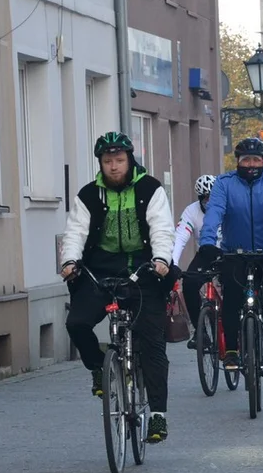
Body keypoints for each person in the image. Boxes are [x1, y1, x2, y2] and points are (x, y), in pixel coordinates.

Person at [59, 131, 177, 443]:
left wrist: (162, 258)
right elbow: (75, 232)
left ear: (130, 160)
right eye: (108, 161)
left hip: (143, 270)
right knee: (77, 323)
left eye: (119, 160)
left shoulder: (150, 188)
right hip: (100, 270)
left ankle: (158, 417)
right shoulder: (88, 195)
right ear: (100, 163)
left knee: (152, 344)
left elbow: (162, 227)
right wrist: (70, 261)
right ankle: (99, 367)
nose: (114, 167)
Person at [196, 137, 263, 381]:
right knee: (232, 301)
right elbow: (214, 214)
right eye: (246, 160)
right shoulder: (224, 184)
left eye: (256, 159)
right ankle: (232, 352)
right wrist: (208, 243)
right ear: (238, 162)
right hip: (235, 253)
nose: (252, 164)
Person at [172, 174, 221, 350]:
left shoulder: (229, 205)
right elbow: (180, 238)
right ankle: (200, 332)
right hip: (206, 253)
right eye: (205, 198)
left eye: (213, 197)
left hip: (228, 252)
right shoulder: (191, 211)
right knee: (190, 284)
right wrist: (174, 264)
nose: (209, 201)